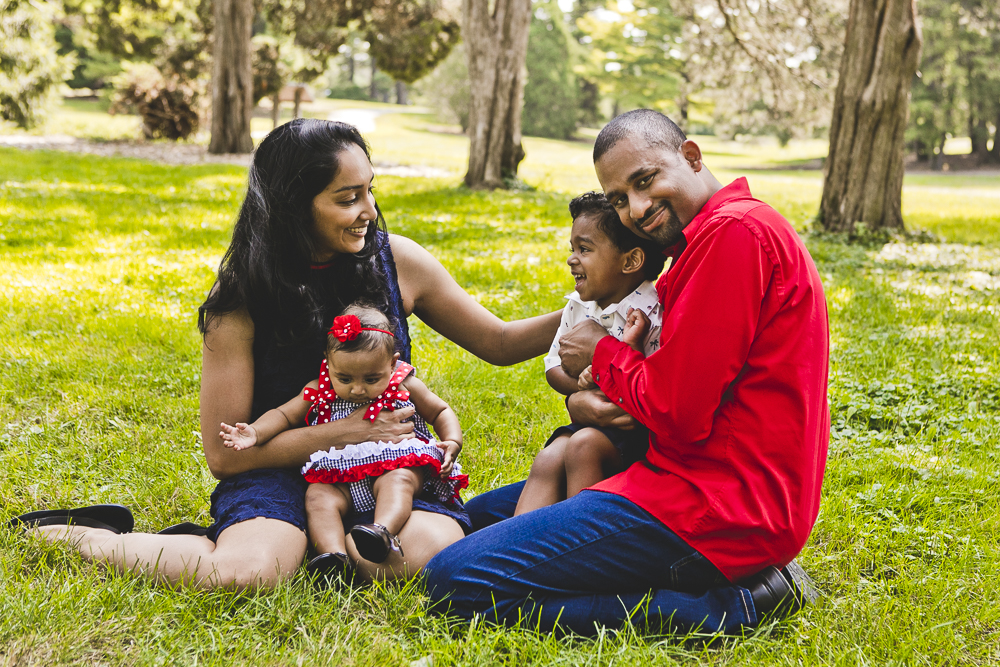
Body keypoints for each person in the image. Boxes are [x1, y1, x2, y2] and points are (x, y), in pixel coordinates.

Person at [12, 118, 560, 589]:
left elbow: (500, 343)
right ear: (295, 207)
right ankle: (77, 534)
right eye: (347, 198)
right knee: (247, 574)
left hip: (388, 468)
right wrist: (345, 434)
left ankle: (319, 543)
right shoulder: (241, 300)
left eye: (369, 191)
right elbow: (225, 456)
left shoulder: (396, 261)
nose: (368, 210)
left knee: (419, 562)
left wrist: (596, 311)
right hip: (278, 470)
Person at [424, 109, 830, 635]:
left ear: (691, 156)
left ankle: (735, 605)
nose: (636, 208)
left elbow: (676, 410)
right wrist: (583, 400)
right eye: (618, 199)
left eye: (645, 181)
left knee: (455, 580)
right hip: (665, 472)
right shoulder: (702, 243)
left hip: (716, 507)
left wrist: (601, 352)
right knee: (462, 523)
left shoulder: (736, 234)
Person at [220, 302, 468, 580]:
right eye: (345, 378)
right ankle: (333, 556)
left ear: (392, 362)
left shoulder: (402, 382)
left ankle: (381, 531)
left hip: (395, 463)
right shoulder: (318, 389)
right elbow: (283, 415)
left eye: (372, 378)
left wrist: (452, 441)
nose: (358, 389)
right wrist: (256, 432)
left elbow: (440, 410)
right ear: (328, 361)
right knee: (317, 497)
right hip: (340, 477)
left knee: (399, 482)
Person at [514, 191, 664, 515]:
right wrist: (581, 389)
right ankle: (512, 543)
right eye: (572, 249)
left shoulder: (652, 313)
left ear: (630, 260)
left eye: (584, 249)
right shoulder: (578, 305)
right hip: (589, 422)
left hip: (638, 440)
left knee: (583, 448)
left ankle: (575, 541)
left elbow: (654, 388)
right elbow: (554, 365)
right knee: (549, 456)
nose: (571, 258)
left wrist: (612, 366)